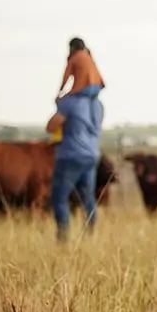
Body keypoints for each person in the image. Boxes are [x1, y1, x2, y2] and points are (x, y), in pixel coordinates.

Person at [45, 82, 105, 242]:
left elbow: (51, 126)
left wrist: (60, 104)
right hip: (92, 154)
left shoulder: (70, 102)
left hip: (71, 155)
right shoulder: (98, 104)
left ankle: (63, 239)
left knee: (60, 198)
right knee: (88, 197)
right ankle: (91, 236)